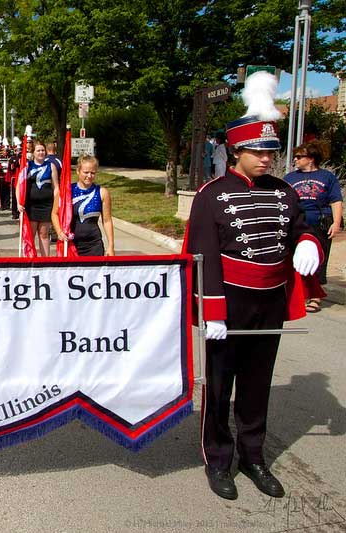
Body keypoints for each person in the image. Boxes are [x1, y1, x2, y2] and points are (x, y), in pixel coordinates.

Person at [184, 73, 322, 502]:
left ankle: (254, 455)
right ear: (237, 152)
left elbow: (301, 226)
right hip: (230, 300)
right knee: (221, 384)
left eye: (270, 151)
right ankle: (218, 458)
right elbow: (202, 255)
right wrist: (214, 313)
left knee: (258, 383)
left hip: (269, 300)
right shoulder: (211, 195)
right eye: (257, 151)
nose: (266, 159)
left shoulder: (284, 193)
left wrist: (308, 243)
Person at [283, 140, 343, 312]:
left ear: (310, 159)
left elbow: (336, 200)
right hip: (297, 224)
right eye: (295, 156)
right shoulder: (290, 178)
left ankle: (315, 296)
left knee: (318, 259)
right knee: (295, 259)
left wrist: (336, 222)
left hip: (319, 223)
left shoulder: (327, 177)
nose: (295, 159)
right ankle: (297, 293)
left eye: (299, 157)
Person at [52, 155, 115, 256]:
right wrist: (59, 231)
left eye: (93, 173)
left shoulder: (102, 192)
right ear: (78, 171)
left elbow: (107, 221)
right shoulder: (65, 191)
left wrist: (111, 246)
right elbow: (55, 213)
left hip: (94, 245)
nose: (89, 176)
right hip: (70, 245)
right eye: (86, 172)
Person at [20, 140, 60, 256]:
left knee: (44, 234)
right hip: (31, 206)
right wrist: (19, 202)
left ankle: (45, 261)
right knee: (30, 235)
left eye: (43, 150)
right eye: (38, 150)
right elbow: (19, 185)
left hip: (46, 206)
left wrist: (57, 203)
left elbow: (56, 187)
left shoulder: (51, 166)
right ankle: (29, 260)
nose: (41, 153)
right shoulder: (28, 166)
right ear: (33, 152)